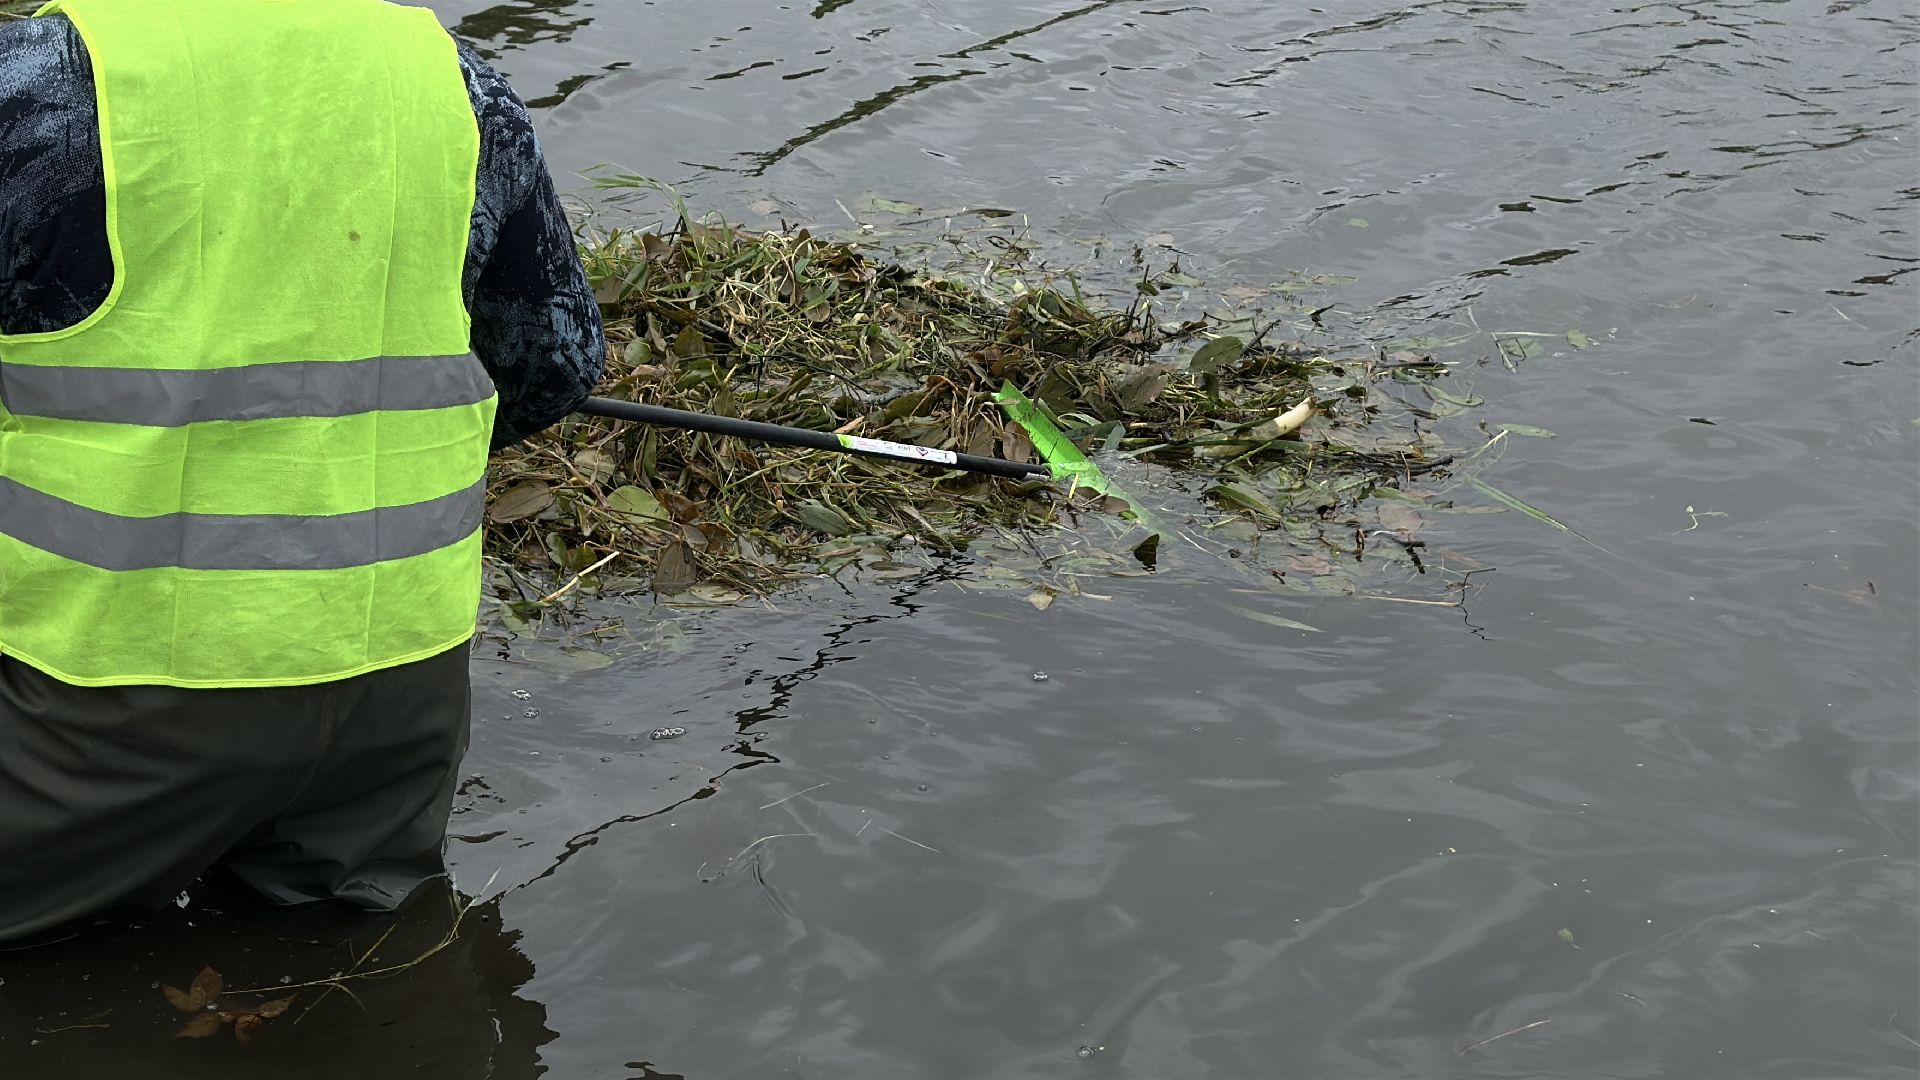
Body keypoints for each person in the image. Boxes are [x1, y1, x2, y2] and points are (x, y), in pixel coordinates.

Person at [0, 0, 605, 946]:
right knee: (350, 963)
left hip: (99, 700)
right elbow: (554, 367)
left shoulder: (34, 80)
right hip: (399, 703)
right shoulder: (457, 82)